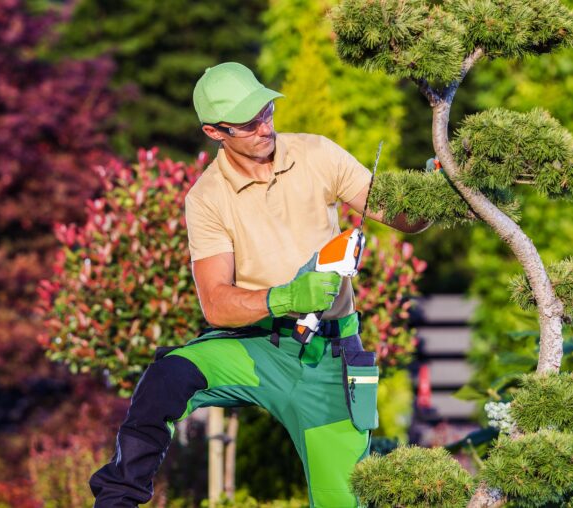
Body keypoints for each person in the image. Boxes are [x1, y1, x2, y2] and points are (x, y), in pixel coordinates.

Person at [88, 62, 431, 507]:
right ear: (215, 132)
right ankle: (116, 500)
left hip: (328, 357)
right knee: (168, 376)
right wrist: (286, 297)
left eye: (266, 111)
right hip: (256, 347)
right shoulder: (207, 198)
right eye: (248, 123)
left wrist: (433, 192)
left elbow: (401, 216)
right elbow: (215, 303)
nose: (264, 127)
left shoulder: (317, 155)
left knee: (343, 501)